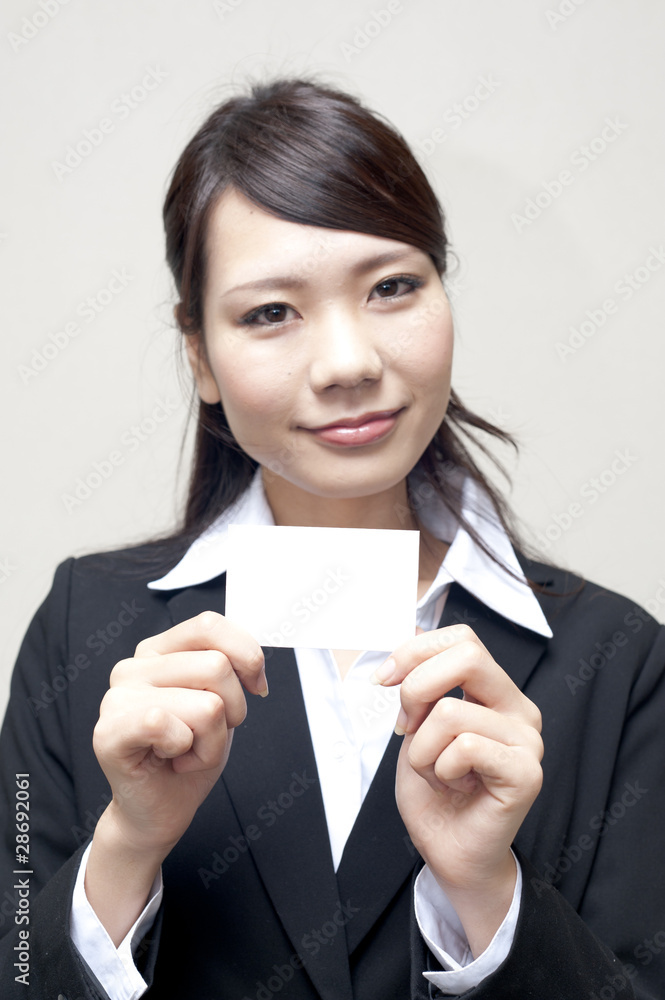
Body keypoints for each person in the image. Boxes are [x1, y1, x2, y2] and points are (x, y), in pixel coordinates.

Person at [1, 76, 663, 1000]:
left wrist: (488, 893)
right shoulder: (85, 628)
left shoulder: (618, 659)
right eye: (270, 312)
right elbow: (18, 966)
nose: (349, 363)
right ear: (199, 354)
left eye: (393, 286)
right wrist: (128, 844)